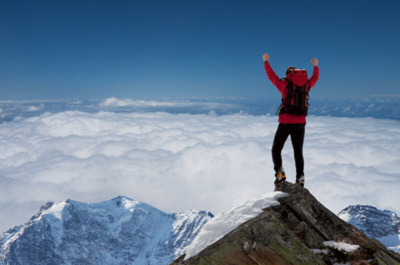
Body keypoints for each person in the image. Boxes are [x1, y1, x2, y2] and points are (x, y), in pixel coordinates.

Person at [262, 53, 319, 187]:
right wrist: (315, 66)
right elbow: (315, 78)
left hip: (285, 123)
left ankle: (280, 172)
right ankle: (300, 178)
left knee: (276, 149)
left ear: (288, 75)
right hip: (300, 124)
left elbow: (272, 76)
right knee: (298, 152)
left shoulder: (284, 85)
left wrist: (265, 62)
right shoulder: (306, 85)